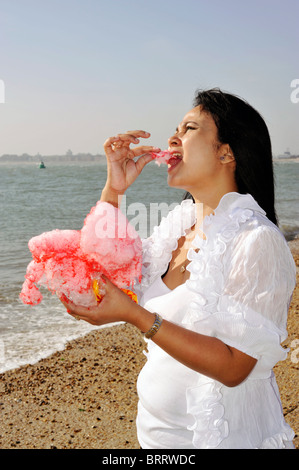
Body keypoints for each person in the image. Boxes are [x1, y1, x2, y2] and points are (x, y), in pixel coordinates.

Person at [61, 88, 296, 449]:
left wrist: (137, 317)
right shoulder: (178, 224)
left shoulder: (256, 240)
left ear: (226, 152)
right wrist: (114, 187)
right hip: (155, 436)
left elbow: (235, 367)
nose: (172, 138)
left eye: (188, 128)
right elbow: (104, 272)